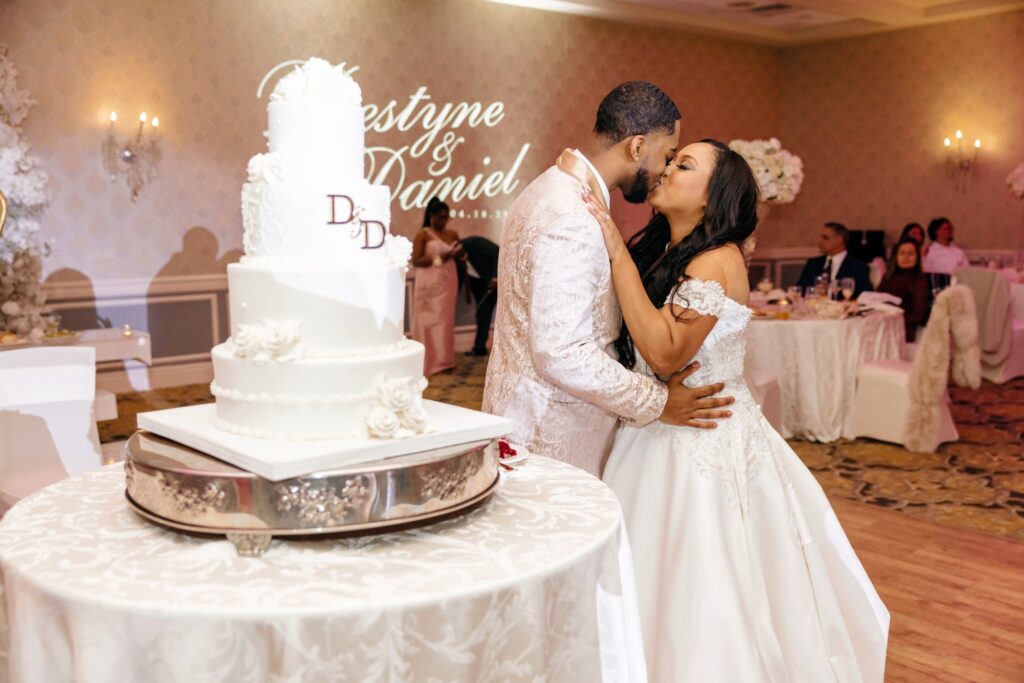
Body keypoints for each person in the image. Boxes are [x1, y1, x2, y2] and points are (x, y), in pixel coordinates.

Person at [586, 139, 889, 682]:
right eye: (672, 160)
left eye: (684, 165)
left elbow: (665, 352)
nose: (667, 170)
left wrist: (615, 251)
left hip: (701, 439)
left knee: (704, 583)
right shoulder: (675, 251)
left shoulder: (714, 260)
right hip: (664, 427)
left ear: (712, 196)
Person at [482, 81, 735, 476]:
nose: (664, 171)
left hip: (526, 417)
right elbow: (562, 352)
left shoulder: (550, 188)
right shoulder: (572, 215)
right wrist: (657, 401)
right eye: (667, 156)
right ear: (637, 147)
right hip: (550, 436)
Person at [411, 197, 464, 375]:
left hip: (448, 281)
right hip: (428, 282)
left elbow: (461, 256)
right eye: (440, 217)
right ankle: (428, 361)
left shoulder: (452, 234)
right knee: (427, 321)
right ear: (431, 216)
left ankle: (444, 361)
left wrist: (460, 254)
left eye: (446, 218)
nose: (443, 221)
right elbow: (416, 261)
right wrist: (439, 259)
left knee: (445, 321)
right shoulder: (423, 235)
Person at [795, 221, 873, 297]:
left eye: (825, 238)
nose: (820, 242)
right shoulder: (813, 264)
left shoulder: (858, 267)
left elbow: (862, 295)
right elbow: (799, 290)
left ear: (839, 240)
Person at [878, 238, 931, 341]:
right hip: (881, 325)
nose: (906, 257)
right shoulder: (888, 277)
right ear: (896, 257)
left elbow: (918, 315)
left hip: (903, 330)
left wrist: (893, 319)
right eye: (902, 253)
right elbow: (876, 300)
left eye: (910, 253)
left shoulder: (919, 280)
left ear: (917, 257)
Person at [458, 235, 499, 356]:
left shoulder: (474, 243)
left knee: (483, 314)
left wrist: (495, 277)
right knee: (481, 315)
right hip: (478, 286)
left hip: (491, 283)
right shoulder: (454, 258)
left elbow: (497, 251)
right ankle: (479, 348)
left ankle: (479, 348)